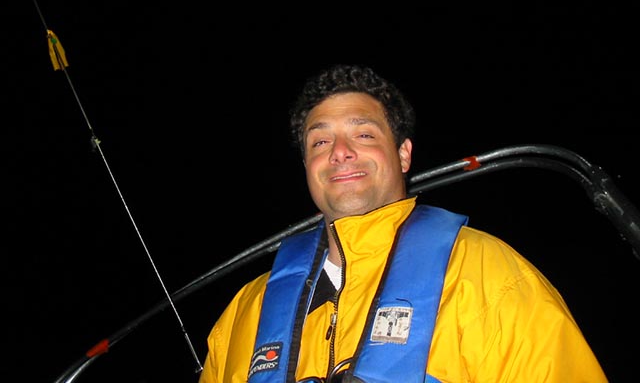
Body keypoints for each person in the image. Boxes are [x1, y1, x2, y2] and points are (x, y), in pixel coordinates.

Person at [198, 64, 607, 382]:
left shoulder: (488, 275)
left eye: (363, 135)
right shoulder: (243, 315)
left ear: (403, 154)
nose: (340, 152)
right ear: (308, 165)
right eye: (320, 141)